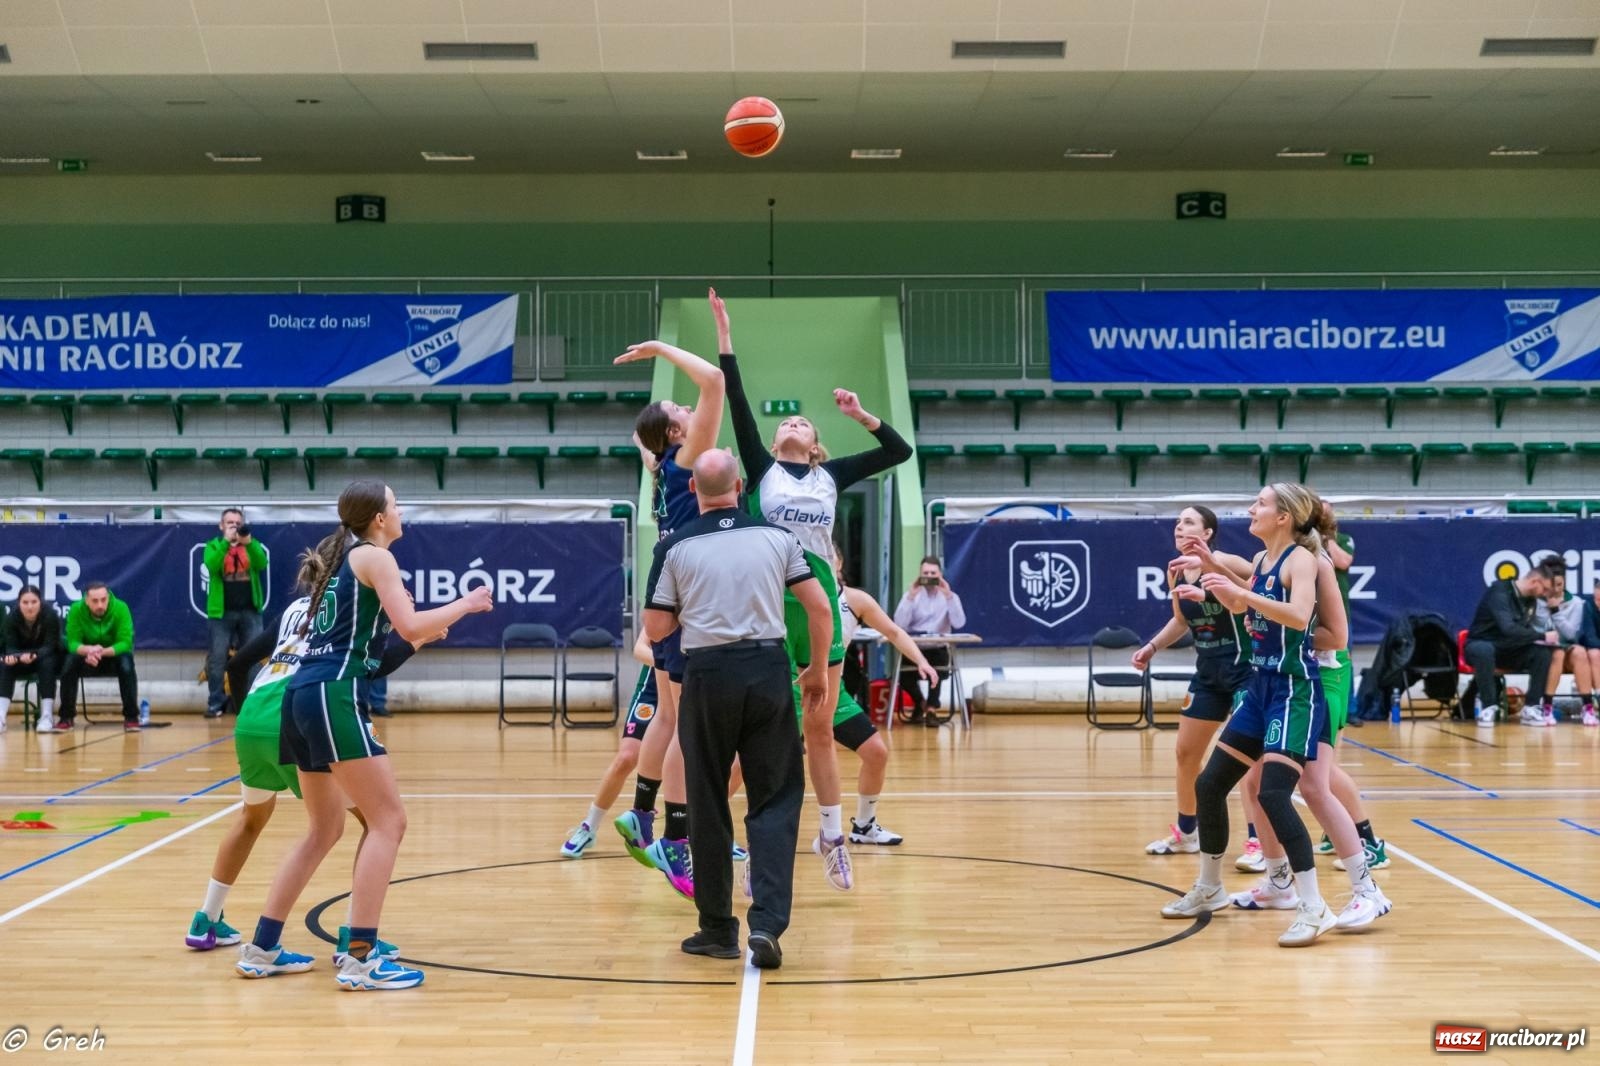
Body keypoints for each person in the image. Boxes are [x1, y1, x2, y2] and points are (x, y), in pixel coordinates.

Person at [236, 480, 492, 990]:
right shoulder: (375, 557)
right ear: (378, 518)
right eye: (396, 505)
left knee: (323, 830)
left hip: (299, 696)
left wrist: (422, 631)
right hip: (332, 695)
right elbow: (409, 624)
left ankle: (262, 947)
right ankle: (361, 957)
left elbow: (383, 641)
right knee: (388, 821)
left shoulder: (340, 562)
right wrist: (465, 603)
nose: (401, 512)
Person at [718, 291, 913, 890]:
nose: (792, 424)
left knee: (821, 731)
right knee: (761, 742)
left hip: (819, 601)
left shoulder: (829, 476)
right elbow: (738, 400)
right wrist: (725, 337)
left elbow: (899, 451)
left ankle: (832, 836)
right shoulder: (763, 470)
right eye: (786, 423)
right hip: (766, 601)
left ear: (815, 442)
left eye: (802, 422)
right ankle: (740, 846)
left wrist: (861, 414)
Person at [1161, 483, 1384, 948]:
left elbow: (1304, 620)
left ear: (1285, 516)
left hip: (1301, 685)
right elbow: (1247, 600)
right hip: (1262, 683)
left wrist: (1232, 587)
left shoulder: (1306, 559)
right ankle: (1219, 884)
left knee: (1293, 789)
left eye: (1259, 503)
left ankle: (1328, 897)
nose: (1250, 508)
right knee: (1216, 784)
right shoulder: (1263, 559)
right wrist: (1215, 573)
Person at [643, 449, 832, 970]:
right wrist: (817, 669)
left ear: (693, 491)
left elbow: (655, 627)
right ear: (741, 486)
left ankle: (717, 930)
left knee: (706, 799)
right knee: (775, 798)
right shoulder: (778, 537)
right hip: (768, 670)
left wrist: (694, 605)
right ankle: (767, 925)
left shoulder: (675, 545)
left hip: (707, 674)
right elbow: (819, 607)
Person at [185, 593, 441, 954]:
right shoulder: (352, 604)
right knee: (376, 821)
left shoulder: (295, 607)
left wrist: (247, 719)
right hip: (297, 712)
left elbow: (238, 664)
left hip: (253, 716)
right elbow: (372, 666)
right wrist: (416, 641)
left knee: (250, 819)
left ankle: (206, 919)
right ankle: (356, 934)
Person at [605, 309, 727, 896]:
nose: (689, 408)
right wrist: (660, 347)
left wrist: (651, 425)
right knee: (688, 723)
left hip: (667, 584)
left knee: (671, 714)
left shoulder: (659, 465)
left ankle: (641, 810)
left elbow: (641, 437)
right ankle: (676, 841)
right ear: (678, 434)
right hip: (685, 592)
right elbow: (715, 382)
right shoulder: (683, 458)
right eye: (680, 410)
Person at [1132, 507, 1258, 863]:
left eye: (1188, 522)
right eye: (1177, 522)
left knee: (1247, 761)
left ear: (1207, 533)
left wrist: (1219, 586)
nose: (1179, 527)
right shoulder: (1175, 570)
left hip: (1244, 670)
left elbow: (1261, 588)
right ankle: (1187, 832)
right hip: (1208, 673)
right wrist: (1152, 647)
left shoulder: (1225, 561)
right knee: (1186, 753)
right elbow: (1180, 620)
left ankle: (1258, 842)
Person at [825, 544, 938, 846]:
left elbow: (894, 632)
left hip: (833, 693)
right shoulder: (795, 597)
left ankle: (864, 826)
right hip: (793, 690)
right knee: (746, 762)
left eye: (830, 555)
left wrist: (922, 661)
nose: (824, 559)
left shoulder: (855, 600)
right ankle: (711, 831)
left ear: (840, 563)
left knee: (876, 752)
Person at [1463, 557, 1563, 727]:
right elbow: (1508, 628)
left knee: (1542, 653)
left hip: (1508, 649)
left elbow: (1522, 633)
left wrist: (1545, 640)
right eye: (1545, 589)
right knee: (1484, 650)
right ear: (1534, 581)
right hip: (1480, 644)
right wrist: (1542, 636)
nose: (1545, 594)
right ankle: (1488, 707)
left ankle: (1531, 707)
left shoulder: (1530, 601)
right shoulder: (1499, 592)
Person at [203, 508, 269, 719]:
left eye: (237, 523)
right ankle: (216, 703)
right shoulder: (213, 546)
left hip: (250, 611)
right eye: (229, 523)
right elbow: (212, 565)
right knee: (217, 658)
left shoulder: (251, 544)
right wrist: (226, 542)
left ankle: (253, 702)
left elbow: (262, 563)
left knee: (254, 657)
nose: (234, 526)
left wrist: (248, 543)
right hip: (221, 613)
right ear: (221, 526)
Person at [893, 556, 967, 725]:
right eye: (925, 573)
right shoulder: (911, 595)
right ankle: (921, 703)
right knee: (903, 676)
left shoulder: (950, 596)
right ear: (920, 574)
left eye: (933, 573)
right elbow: (899, 624)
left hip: (937, 647)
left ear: (940, 574)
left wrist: (948, 595)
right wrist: (910, 597)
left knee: (938, 668)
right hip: (915, 647)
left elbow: (959, 623)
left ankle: (932, 709)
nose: (929, 576)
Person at [59, 581, 139, 732]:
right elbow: (72, 643)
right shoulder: (76, 609)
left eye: (103, 600)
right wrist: (88, 650)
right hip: (87, 657)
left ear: (108, 597)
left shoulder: (121, 608)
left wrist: (101, 652)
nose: (100, 605)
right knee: (69, 662)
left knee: (127, 663)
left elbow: (125, 643)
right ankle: (66, 717)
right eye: (95, 601)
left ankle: (131, 717)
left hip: (112, 656)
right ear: (86, 600)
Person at [1532, 570, 1593, 725]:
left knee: (1580, 652)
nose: (1556, 589)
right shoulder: (1536, 601)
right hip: (1543, 650)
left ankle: (1588, 707)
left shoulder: (1576, 603)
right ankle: (1547, 706)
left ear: (1564, 582)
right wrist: (1547, 607)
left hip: (1566, 646)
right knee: (1557, 653)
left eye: (1559, 584)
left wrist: (1555, 611)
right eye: (1552, 585)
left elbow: (1571, 635)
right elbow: (1536, 630)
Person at [1, 585, 64, 734]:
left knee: (47, 664)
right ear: (19, 603)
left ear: (40, 602)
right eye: (25, 602)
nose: (30, 607)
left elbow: (50, 645)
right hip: (21, 659)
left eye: (34, 602)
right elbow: (11, 647)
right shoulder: (12, 618)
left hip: (46, 657)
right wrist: (13, 657)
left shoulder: (50, 615)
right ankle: (1, 717)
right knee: (5, 666)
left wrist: (34, 655)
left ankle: (47, 716)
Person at [1576, 580, 1600, 727]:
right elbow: (1589, 637)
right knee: (1594, 654)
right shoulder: (1588, 606)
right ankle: (1598, 696)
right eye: (1598, 599)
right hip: (1593, 649)